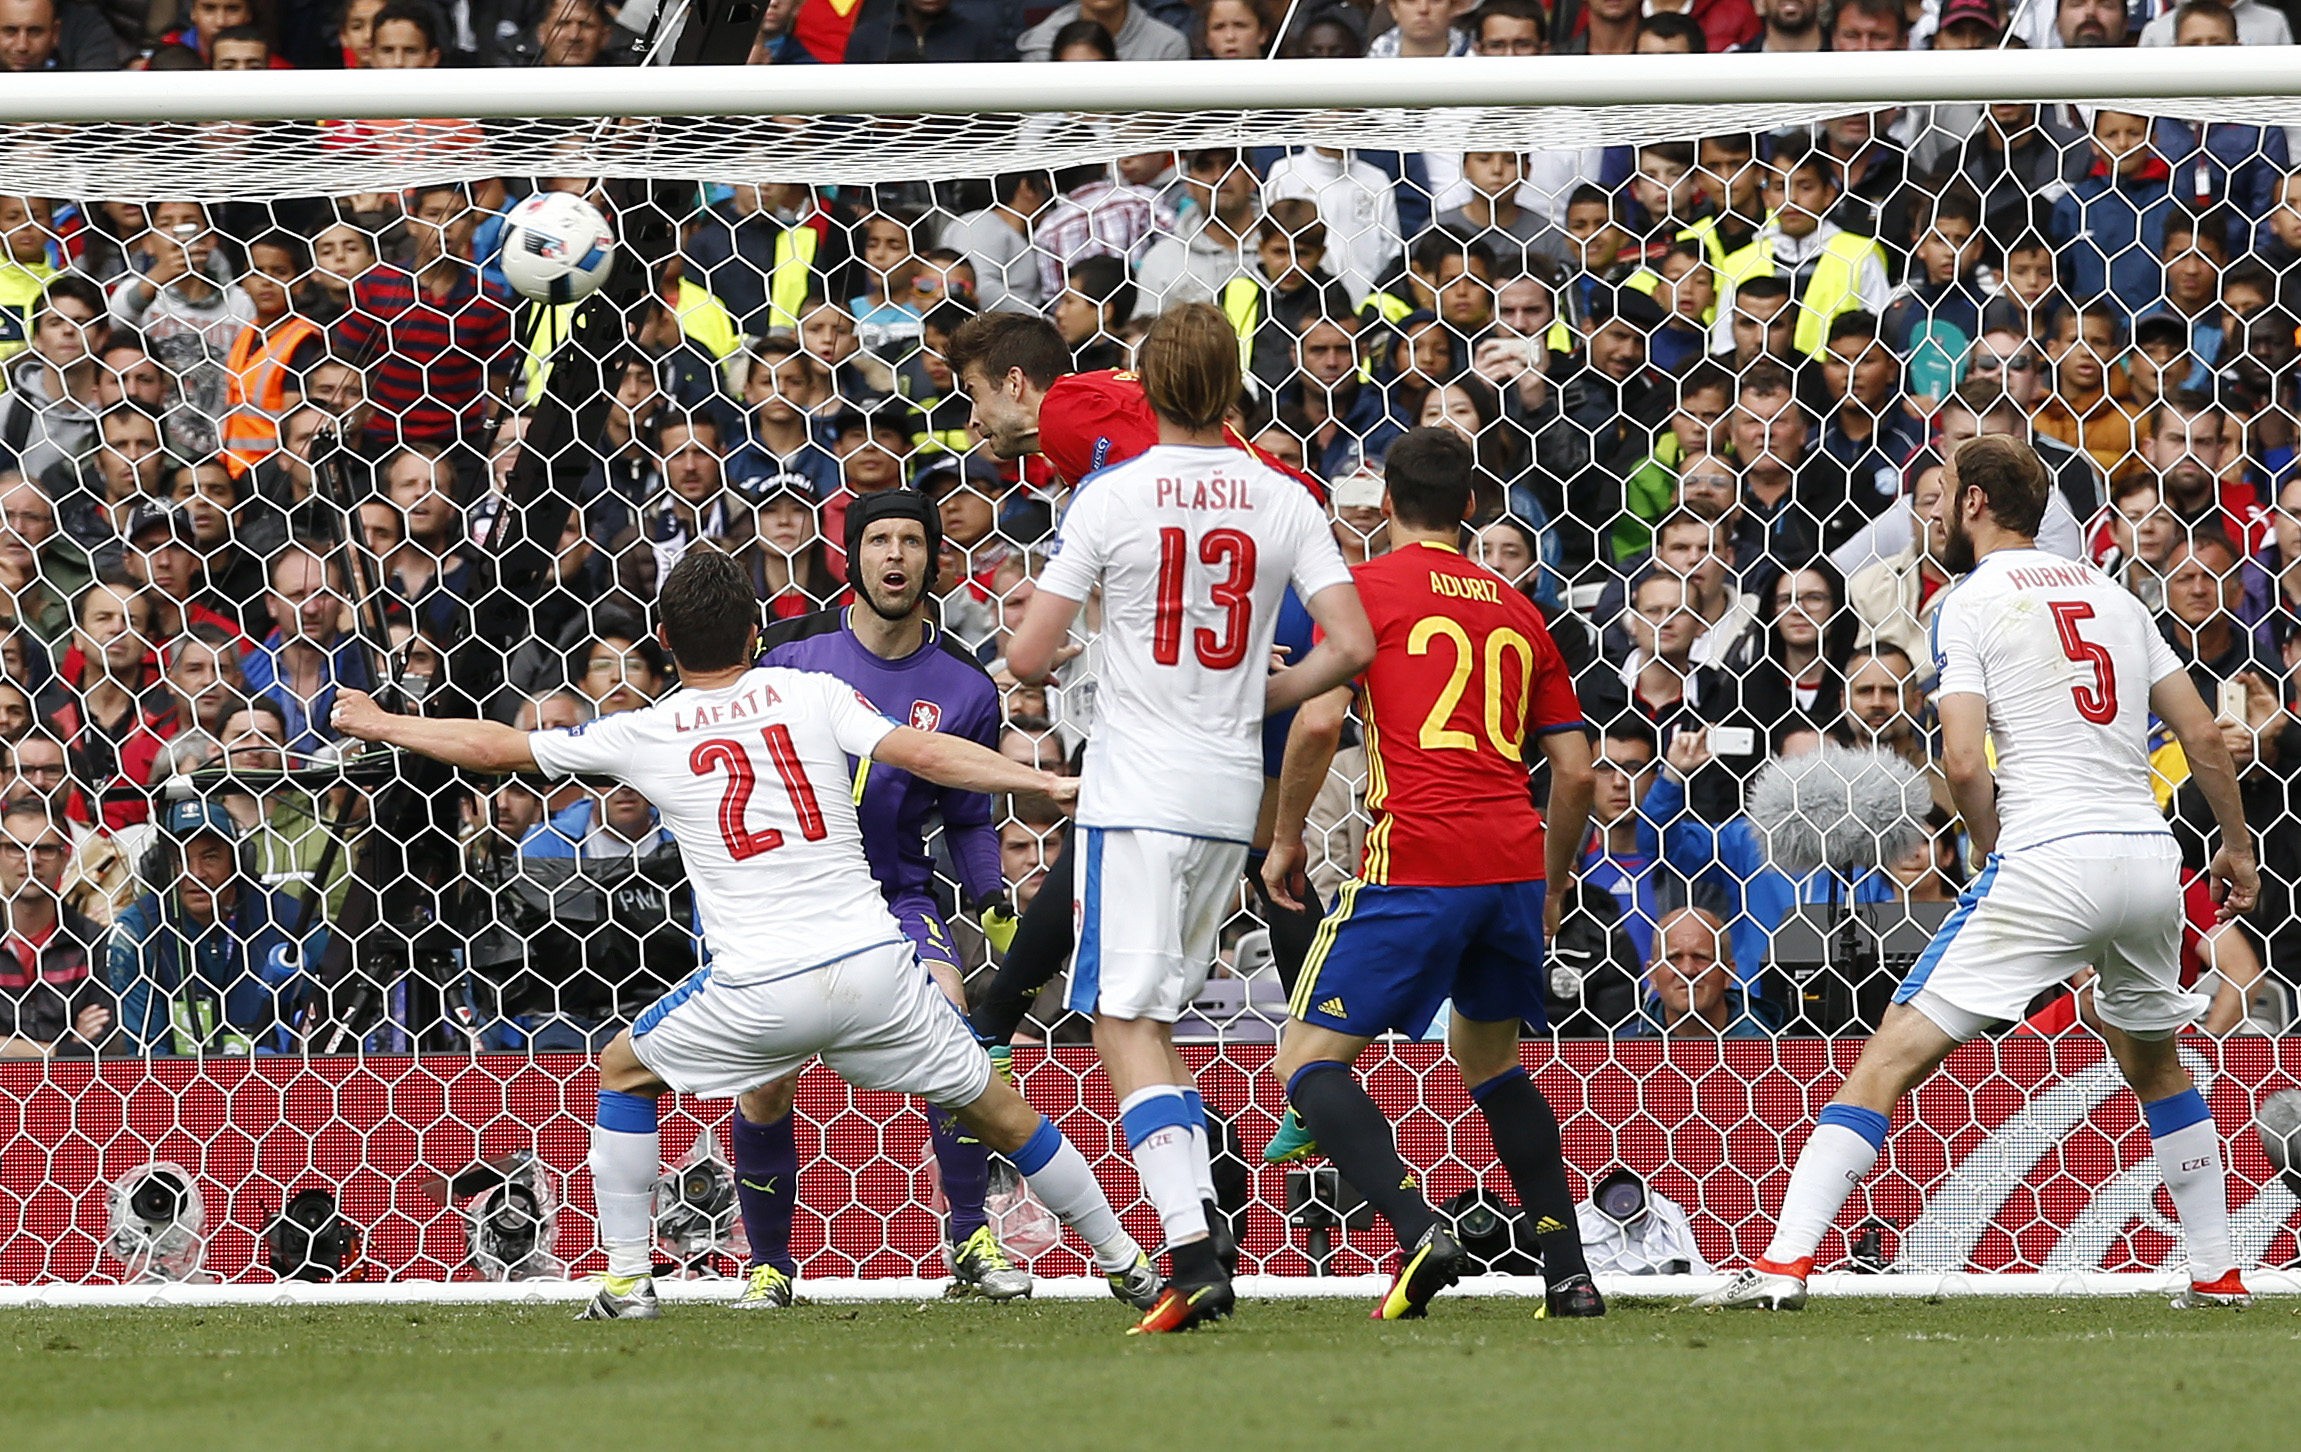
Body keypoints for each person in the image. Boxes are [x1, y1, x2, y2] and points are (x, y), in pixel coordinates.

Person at [331, 549, 1159, 1323]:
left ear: (661, 643)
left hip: (760, 987)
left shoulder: (648, 728)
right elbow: (928, 754)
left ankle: (626, 1279)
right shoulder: (812, 693)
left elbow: (495, 747)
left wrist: (381, 724)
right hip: (877, 971)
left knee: (623, 1071)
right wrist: (1040, 778)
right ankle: (1129, 1264)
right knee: (997, 1108)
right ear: (758, 634)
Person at [1693, 436, 2261, 1312]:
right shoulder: (2115, 597)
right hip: (2147, 859)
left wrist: (1994, 848)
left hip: (2046, 853)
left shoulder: (1967, 600)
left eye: (1941, 495)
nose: (1930, 511)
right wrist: (2236, 847)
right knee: (2155, 1066)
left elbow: (1962, 761)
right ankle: (2218, 1272)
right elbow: (2198, 733)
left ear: (1973, 504)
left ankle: (1781, 1266)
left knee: (1886, 1056)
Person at [1004, 303, 1373, 1333]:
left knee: (1120, 1017)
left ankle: (1190, 1249)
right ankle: (1200, 1226)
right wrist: (1248, 697)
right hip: (1226, 802)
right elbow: (1347, 644)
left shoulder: (1111, 497)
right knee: (1151, 1014)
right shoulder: (1283, 496)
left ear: (1148, 387)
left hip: (1137, 789)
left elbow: (1030, 660)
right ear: (1235, 387)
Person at [1257, 426, 1605, 1321]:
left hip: (1414, 859)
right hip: (1508, 867)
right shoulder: (1521, 610)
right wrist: (1552, 883)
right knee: (1490, 1062)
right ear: (1472, 507)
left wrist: (1286, 836)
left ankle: (1417, 1228)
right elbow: (1573, 772)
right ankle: (1567, 1274)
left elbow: (1313, 727)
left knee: (1305, 1059)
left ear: (1382, 511)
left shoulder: (1364, 593)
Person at [725, 491, 1028, 1309]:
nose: (894, 557)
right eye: (878, 542)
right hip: (785, 896)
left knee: (953, 1036)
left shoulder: (964, 686)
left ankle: (969, 1238)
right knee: (767, 1078)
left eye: (910, 542)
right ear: (850, 558)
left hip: (895, 893)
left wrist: (989, 891)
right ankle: (769, 1265)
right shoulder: (790, 656)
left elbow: (968, 813)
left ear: (936, 558)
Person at [0, 798, 110, 1059]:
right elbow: (77, 1053)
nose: (31, 860)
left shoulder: (93, 943)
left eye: (45, 849)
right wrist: (62, 1050)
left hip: (73, 1094)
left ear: (65, 857)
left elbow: (100, 1048)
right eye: (17, 848)